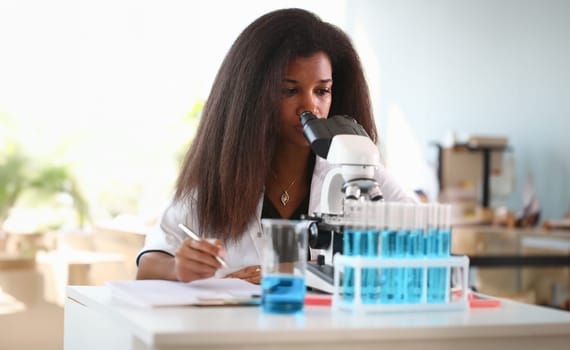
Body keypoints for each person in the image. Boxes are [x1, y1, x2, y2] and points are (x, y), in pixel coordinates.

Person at [136, 8, 416, 284]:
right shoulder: (216, 179)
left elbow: (420, 243)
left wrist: (295, 270)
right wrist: (178, 267)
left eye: (322, 91)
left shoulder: (358, 171)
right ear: (252, 95)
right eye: (289, 90)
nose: (310, 107)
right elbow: (149, 264)